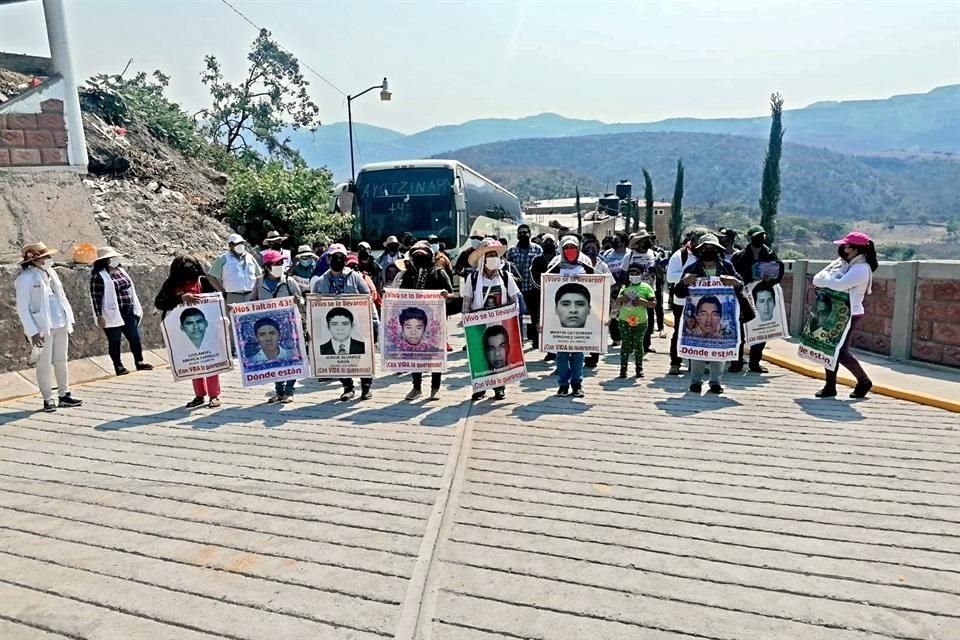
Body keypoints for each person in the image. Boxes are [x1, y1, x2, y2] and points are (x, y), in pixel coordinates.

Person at [14, 242, 82, 413]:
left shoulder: (51, 273)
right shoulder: (25, 279)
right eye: (46, 257)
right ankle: (47, 398)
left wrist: (68, 319)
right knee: (44, 364)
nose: (49, 259)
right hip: (42, 327)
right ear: (35, 260)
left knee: (61, 360)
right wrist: (33, 331)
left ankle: (64, 394)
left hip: (60, 322)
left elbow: (61, 297)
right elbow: (23, 308)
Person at [673, 233, 743, 395]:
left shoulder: (726, 266)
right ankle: (695, 382)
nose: (709, 250)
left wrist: (735, 282)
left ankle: (715, 382)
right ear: (699, 250)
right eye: (705, 247)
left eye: (712, 247)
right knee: (697, 350)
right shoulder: (692, 268)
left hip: (721, 317)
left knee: (719, 351)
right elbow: (679, 293)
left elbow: (740, 285)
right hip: (698, 319)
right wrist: (684, 282)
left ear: (718, 249)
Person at [812, 231, 878, 399]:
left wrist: (828, 279)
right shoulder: (847, 265)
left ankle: (864, 381)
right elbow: (816, 279)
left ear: (856, 249)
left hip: (850, 313)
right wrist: (830, 280)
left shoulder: (861, 269)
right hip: (836, 311)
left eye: (847, 246)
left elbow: (839, 285)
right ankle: (830, 386)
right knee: (830, 350)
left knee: (840, 352)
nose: (844, 248)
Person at [155, 255, 222, 408]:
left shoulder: (202, 281)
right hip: (184, 331)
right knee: (193, 361)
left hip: (205, 328)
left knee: (210, 362)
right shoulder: (171, 284)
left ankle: (214, 395)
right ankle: (199, 395)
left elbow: (215, 300)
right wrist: (180, 299)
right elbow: (160, 303)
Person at [313, 243, 376, 401]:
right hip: (334, 328)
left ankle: (366, 387)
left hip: (356, 324)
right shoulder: (320, 282)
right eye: (335, 257)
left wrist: (374, 323)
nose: (339, 260)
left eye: (342, 258)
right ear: (328, 259)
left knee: (361, 355)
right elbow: (315, 305)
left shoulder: (355, 277)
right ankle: (347, 386)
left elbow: (367, 297)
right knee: (337, 357)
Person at [461, 238, 520, 401]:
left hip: (501, 324)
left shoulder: (506, 277)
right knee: (481, 356)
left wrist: (512, 318)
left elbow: (515, 300)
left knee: (500, 357)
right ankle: (481, 387)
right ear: (482, 259)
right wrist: (467, 324)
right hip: (479, 325)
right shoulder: (472, 279)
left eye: (495, 255)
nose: (493, 258)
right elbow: (466, 303)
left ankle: (499, 387)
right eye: (489, 255)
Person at [396, 241, 453, 400]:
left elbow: (451, 295)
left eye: (423, 256)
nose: (420, 259)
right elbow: (401, 294)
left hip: (435, 320)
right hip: (415, 320)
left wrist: (445, 296)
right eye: (416, 256)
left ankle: (435, 388)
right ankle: (416, 387)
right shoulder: (409, 274)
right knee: (416, 353)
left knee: (435, 353)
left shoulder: (439, 272)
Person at [89, 246, 152, 376]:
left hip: (128, 311)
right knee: (115, 340)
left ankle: (139, 361)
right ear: (106, 260)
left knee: (134, 337)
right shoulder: (98, 276)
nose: (116, 260)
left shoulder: (121, 271)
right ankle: (118, 365)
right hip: (111, 313)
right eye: (113, 258)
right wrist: (99, 315)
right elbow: (96, 297)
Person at [252, 249, 303, 403]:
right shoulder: (259, 282)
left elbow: (301, 302)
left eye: (282, 262)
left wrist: (297, 301)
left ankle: (289, 390)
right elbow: (251, 301)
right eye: (277, 263)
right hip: (269, 328)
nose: (281, 265)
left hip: (289, 326)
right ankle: (279, 391)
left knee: (291, 358)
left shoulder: (289, 281)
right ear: (267, 266)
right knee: (275, 359)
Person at [730, 225, 784, 373]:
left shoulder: (771, 254)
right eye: (757, 236)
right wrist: (748, 278)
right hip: (744, 296)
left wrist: (769, 279)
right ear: (750, 238)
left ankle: (755, 362)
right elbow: (733, 275)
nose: (760, 239)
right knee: (740, 329)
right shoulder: (739, 256)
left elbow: (779, 272)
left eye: (762, 236)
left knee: (761, 330)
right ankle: (737, 361)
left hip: (762, 295)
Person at [546, 236, 595, 398]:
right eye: (566, 247)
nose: (570, 251)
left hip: (580, 318)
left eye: (573, 247)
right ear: (561, 249)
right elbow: (546, 287)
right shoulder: (554, 265)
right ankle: (562, 384)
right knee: (561, 354)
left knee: (578, 353)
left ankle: (577, 384)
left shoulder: (585, 263)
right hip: (561, 319)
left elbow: (595, 287)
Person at [666, 228, 710, 375]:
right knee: (679, 332)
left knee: (702, 332)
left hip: (702, 302)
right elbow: (671, 277)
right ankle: (675, 363)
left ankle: (698, 363)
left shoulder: (708, 256)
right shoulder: (680, 255)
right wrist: (689, 278)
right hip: (682, 301)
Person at [616, 264, 657, 378]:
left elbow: (653, 304)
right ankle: (623, 369)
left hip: (641, 321)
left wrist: (642, 301)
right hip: (624, 320)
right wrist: (621, 299)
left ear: (641, 275)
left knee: (638, 344)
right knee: (625, 344)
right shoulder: (624, 287)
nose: (634, 276)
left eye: (637, 274)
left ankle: (639, 368)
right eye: (631, 274)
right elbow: (617, 303)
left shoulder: (646, 287)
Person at [506, 224, 544, 348]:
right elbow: (507, 269)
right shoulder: (512, 251)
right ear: (517, 235)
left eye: (525, 232)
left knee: (535, 315)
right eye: (520, 233)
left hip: (533, 288)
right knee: (517, 316)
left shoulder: (537, 249)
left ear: (530, 234)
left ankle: (536, 340)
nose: (523, 235)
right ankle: (519, 341)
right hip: (516, 289)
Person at [207, 233, 262, 306]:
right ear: (230, 245)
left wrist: (257, 291)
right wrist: (221, 291)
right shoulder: (223, 258)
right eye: (237, 243)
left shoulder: (250, 257)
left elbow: (259, 275)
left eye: (242, 243)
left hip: (251, 295)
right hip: (233, 297)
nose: (240, 245)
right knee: (234, 317)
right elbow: (211, 276)